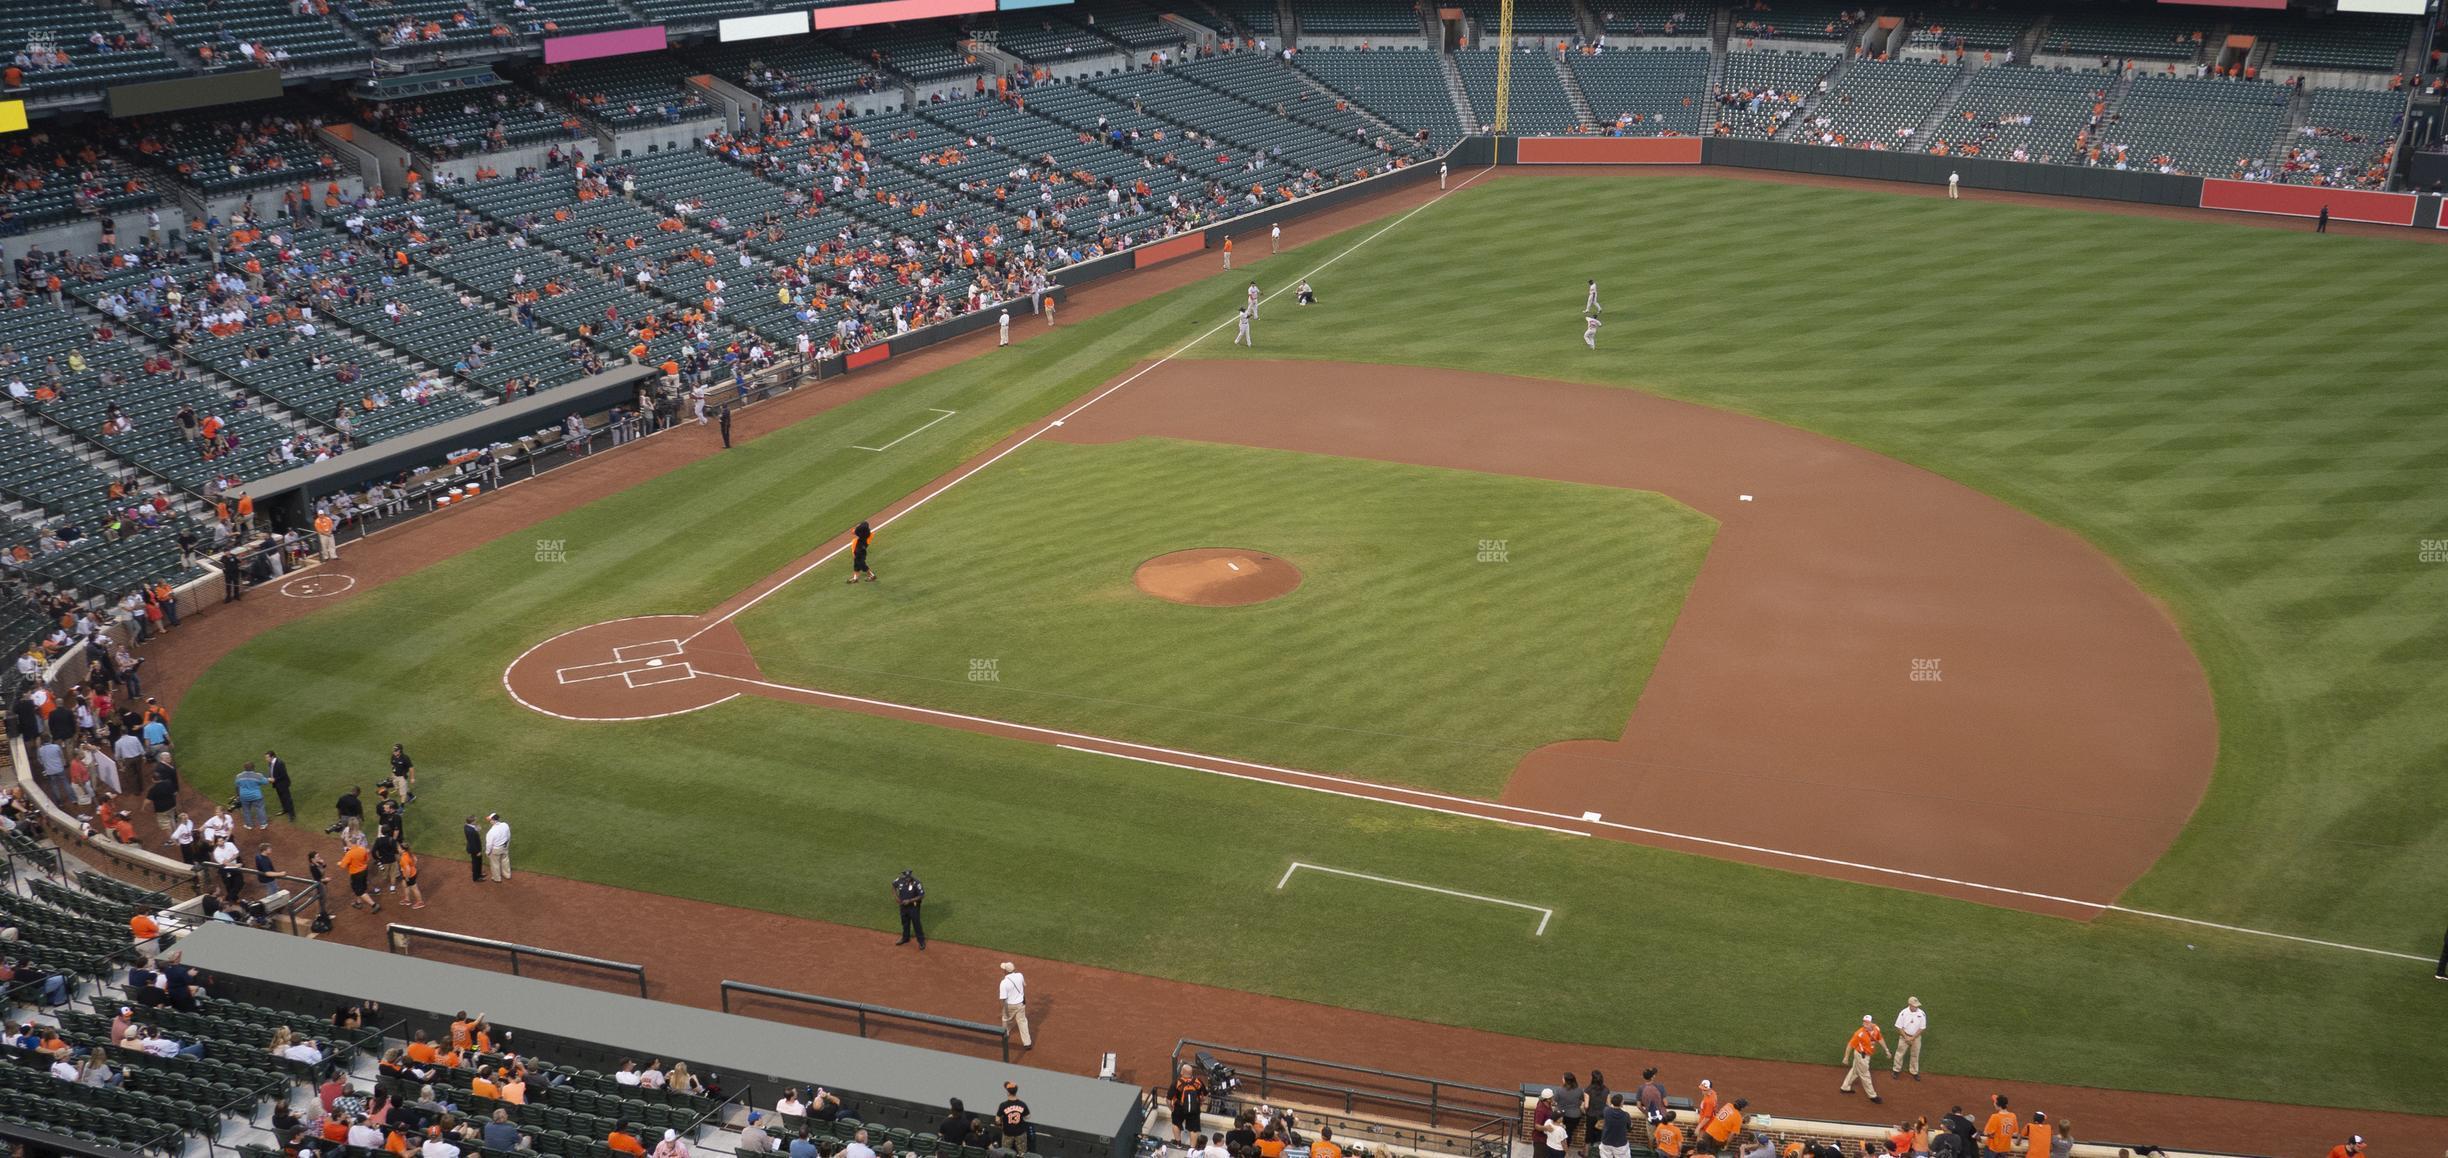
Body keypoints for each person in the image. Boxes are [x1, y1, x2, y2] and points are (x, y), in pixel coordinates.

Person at [1839, 1014, 1885, 1103]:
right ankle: (1872, 1096)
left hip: (1865, 1055)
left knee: (1855, 1070)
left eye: (1867, 1022)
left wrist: (1886, 1049)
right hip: (1861, 1056)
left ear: (1872, 1023)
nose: (1865, 1024)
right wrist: (1846, 1057)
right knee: (1865, 1075)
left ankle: (1845, 1087)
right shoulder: (1859, 1033)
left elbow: (1880, 1038)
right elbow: (1850, 1045)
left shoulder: (1876, 1029)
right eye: (1864, 1022)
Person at [998, 962, 1031, 1049]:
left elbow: (1004, 999)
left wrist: (1005, 1011)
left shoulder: (1004, 983)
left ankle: (1005, 1036)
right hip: (1021, 1004)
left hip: (1010, 1006)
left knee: (1006, 1020)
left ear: (1005, 971)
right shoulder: (1020, 975)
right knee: (1022, 1022)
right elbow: (1024, 985)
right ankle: (1027, 1043)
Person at [1891, 997, 1926, 1080]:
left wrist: (1913, 1037)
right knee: (1900, 1053)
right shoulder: (1903, 1013)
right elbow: (1899, 1027)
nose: (1916, 1007)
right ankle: (1896, 1070)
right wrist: (1906, 1037)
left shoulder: (1921, 1014)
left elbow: (1922, 1028)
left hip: (1916, 1038)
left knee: (1915, 1054)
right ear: (1910, 1005)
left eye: (1917, 1005)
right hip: (1904, 1036)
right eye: (1915, 1006)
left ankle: (1914, 1071)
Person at [1167, 1062, 1205, 1137]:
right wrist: (1199, 1104)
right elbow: (1204, 1096)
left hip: (1179, 1108)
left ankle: (1178, 1143)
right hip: (1195, 1109)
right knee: (1194, 1129)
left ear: (1182, 1072)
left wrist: (1171, 1108)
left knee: (1176, 1124)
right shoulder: (1198, 1081)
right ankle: (1192, 1147)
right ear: (1191, 1073)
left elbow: (1168, 1100)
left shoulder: (1176, 1083)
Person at [994, 1081, 1030, 1154]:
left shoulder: (1003, 1105)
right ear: (1016, 1092)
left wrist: (1001, 1123)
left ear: (1008, 1093)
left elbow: (997, 1120)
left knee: (1005, 1153)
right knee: (1022, 1153)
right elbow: (1028, 1117)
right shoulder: (1022, 1104)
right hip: (1020, 1133)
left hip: (1007, 1133)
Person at [893, 869, 926, 947]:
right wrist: (896, 897)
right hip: (903, 906)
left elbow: (922, 895)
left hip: (913, 907)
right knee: (905, 922)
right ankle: (905, 938)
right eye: (906, 877)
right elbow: (893, 886)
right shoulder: (899, 880)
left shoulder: (916, 883)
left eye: (909, 877)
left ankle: (921, 941)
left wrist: (910, 901)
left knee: (916, 923)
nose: (908, 878)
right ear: (904, 876)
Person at [266, 750, 295, 819]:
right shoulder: (270, 763)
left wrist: (274, 779)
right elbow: (271, 771)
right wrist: (270, 777)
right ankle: (285, 810)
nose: (266, 759)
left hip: (283, 784)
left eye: (267, 757)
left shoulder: (280, 763)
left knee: (287, 799)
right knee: (281, 798)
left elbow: (283, 775)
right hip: (277, 784)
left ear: (272, 757)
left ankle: (292, 814)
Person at [484, 812, 511, 880]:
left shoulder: (491, 832)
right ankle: (507, 875)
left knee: (495, 864)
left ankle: (497, 878)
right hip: (505, 846)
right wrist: (507, 844)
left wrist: (487, 852)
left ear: (493, 820)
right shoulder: (505, 825)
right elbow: (508, 835)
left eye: (490, 820)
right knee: (505, 860)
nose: (489, 821)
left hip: (496, 849)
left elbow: (489, 844)